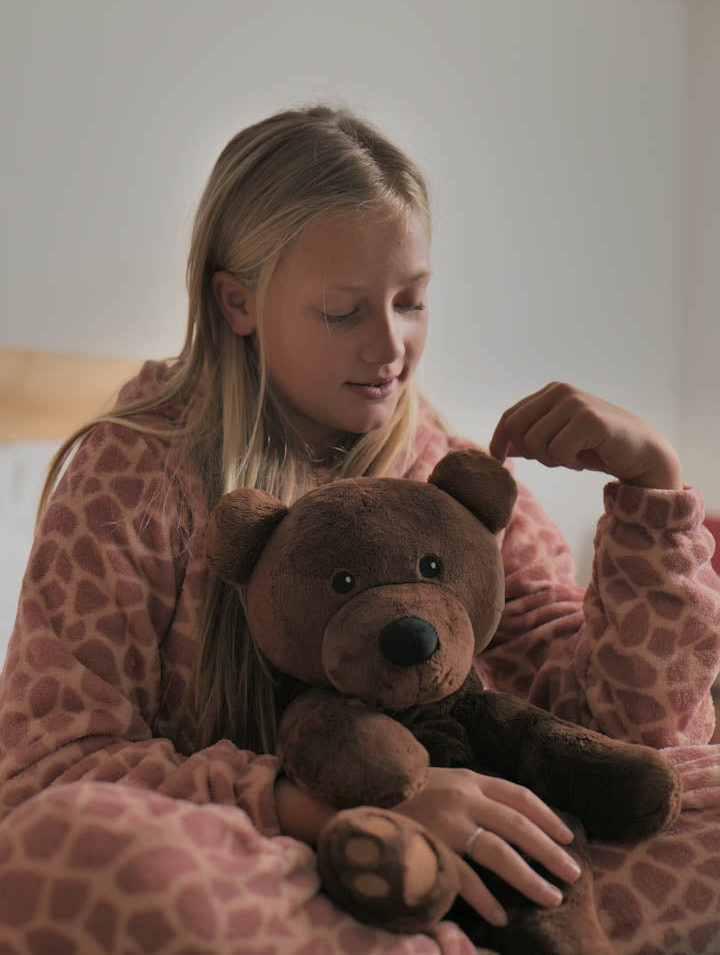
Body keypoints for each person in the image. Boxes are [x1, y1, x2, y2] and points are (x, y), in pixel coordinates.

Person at [0, 104, 718, 954]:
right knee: (64, 854)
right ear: (238, 302)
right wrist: (366, 805)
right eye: (343, 312)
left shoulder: (454, 473)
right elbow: (49, 768)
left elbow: (623, 736)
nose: (392, 346)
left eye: (412, 302)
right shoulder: (131, 470)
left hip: (502, 861)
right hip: (273, 866)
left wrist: (653, 491)